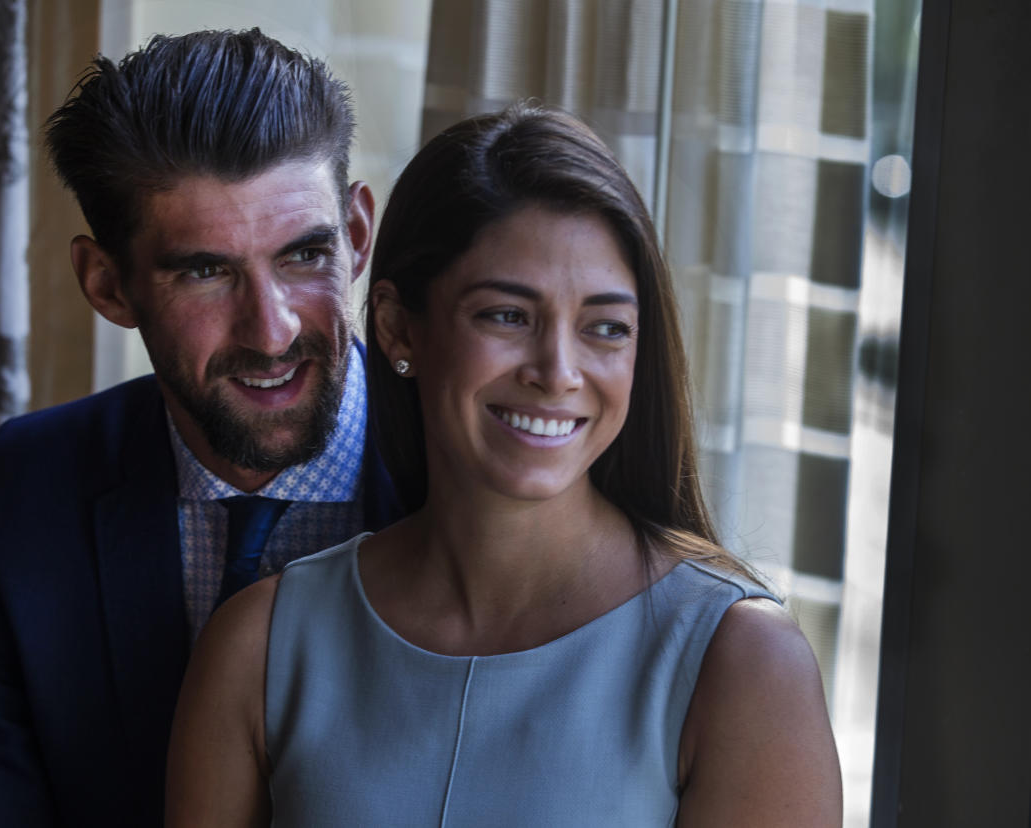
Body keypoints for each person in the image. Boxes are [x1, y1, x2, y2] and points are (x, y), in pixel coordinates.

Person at [166, 104, 843, 826]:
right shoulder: (259, 648)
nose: (557, 372)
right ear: (398, 327)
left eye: (605, 328)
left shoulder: (742, 664)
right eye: (507, 316)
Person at [0, 29, 398, 828]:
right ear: (108, 286)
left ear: (354, 238)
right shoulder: (28, 489)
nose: (272, 331)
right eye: (206, 272)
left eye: (304, 255)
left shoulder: (469, 476)